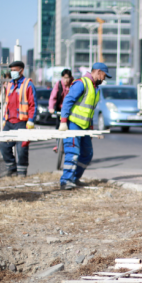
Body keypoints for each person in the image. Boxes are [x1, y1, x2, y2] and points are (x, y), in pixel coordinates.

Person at [58, 62, 110, 190]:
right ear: (98, 72)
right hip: (74, 124)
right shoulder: (82, 83)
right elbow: (68, 101)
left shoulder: (95, 88)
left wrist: (90, 129)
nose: (104, 79)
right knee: (72, 152)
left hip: (85, 127)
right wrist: (63, 121)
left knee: (87, 154)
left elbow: (90, 111)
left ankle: (74, 178)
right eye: (104, 75)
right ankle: (66, 181)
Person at [0, 60, 36, 177]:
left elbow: (32, 104)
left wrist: (31, 120)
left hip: (22, 122)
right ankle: (11, 168)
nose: (12, 73)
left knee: (22, 149)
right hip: (9, 122)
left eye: (15, 70)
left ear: (21, 70)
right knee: (4, 146)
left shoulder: (28, 84)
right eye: (11, 71)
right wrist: (4, 119)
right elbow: (7, 103)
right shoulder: (9, 85)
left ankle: (22, 172)